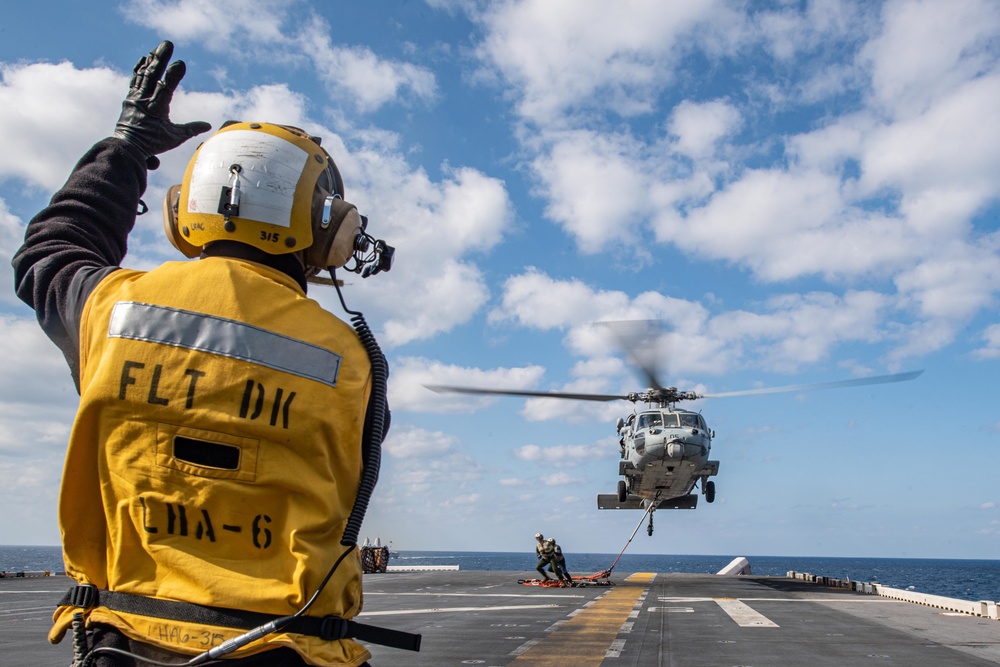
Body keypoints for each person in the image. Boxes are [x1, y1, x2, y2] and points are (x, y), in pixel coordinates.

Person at [12, 41, 406, 666]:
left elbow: (51, 251)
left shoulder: (109, 311)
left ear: (182, 211)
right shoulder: (354, 365)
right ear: (330, 231)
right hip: (284, 649)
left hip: (123, 645)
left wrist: (128, 145)